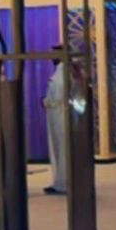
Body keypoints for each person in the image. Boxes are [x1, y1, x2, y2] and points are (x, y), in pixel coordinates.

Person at [43, 47, 67, 194]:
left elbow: (58, 96)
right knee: (60, 148)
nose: (52, 56)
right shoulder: (62, 71)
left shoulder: (63, 72)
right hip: (57, 113)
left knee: (61, 148)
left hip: (59, 114)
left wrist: (47, 102)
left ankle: (63, 182)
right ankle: (60, 180)